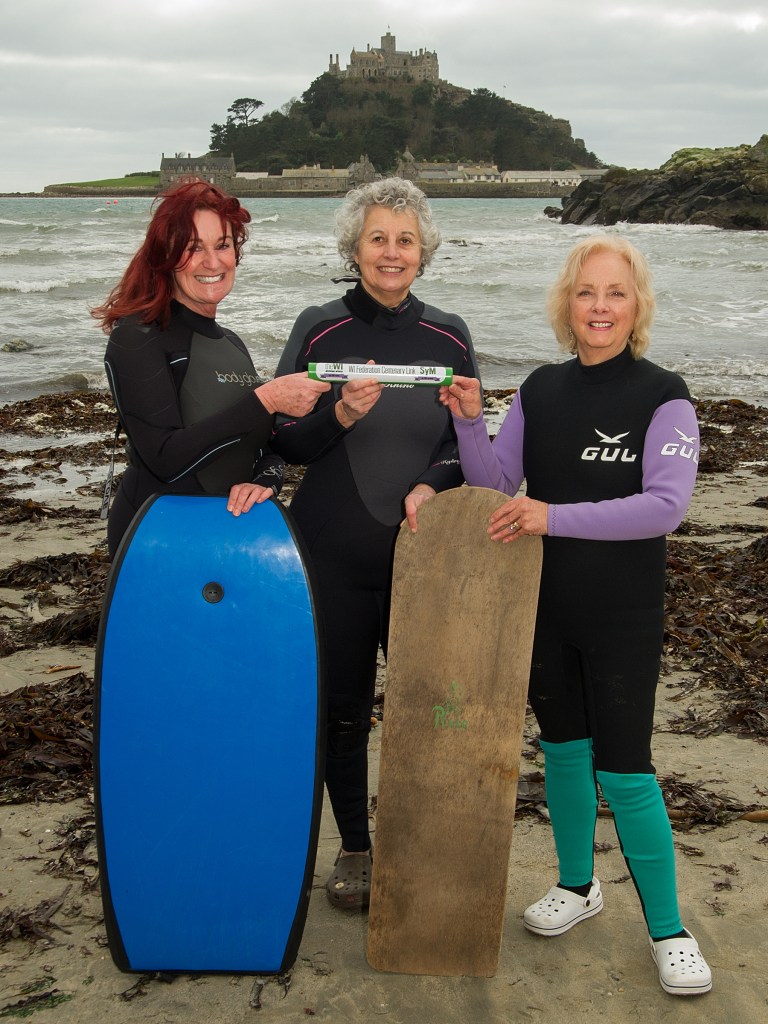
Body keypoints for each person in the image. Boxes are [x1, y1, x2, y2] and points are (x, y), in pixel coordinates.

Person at [439, 235, 712, 996]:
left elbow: (666, 507)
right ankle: (576, 884)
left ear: (637, 306)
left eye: (615, 293)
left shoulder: (665, 393)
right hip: (545, 606)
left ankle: (668, 928)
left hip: (622, 611)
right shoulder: (540, 388)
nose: (600, 306)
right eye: (586, 292)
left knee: (626, 770)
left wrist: (551, 517)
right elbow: (499, 487)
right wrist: (468, 422)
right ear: (568, 304)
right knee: (562, 750)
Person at [271, 177, 480, 909]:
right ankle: (356, 848)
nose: (391, 252)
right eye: (378, 238)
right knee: (343, 709)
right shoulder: (319, 328)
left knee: (434, 705)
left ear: (424, 251)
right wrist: (341, 420)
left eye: (405, 239)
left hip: (423, 556)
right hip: (332, 551)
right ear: (354, 248)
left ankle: (422, 840)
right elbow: (285, 441)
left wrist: (431, 484)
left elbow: (467, 447)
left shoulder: (450, 334)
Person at [92, 180, 329, 557]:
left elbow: (263, 448)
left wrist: (266, 481)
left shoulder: (231, 343)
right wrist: (266, 398)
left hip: (229, 534)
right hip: (157, 536)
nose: (212, 262)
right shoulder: (138, 337)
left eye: (222, 245)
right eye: (193, 248)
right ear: (166, 256)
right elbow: (165, 459)